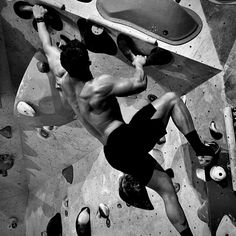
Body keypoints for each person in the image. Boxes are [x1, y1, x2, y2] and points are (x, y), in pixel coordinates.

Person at [33, 5, 220, 236]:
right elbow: (139, 84)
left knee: (167, 192)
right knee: (171, 99)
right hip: (125, 139)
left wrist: (39, 18)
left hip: (113, 154)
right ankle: (202, 150)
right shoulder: (99, 85)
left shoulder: (62, 77)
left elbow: (46, 45)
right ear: (89, 62)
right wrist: (139, 65)